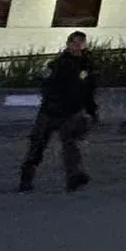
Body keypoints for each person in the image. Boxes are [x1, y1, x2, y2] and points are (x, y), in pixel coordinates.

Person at [20, 31, 98, 193]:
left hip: (70, 111)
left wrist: (90, 110)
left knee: (70, 145)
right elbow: (46, 84)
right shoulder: (58, 63)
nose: (78, 47)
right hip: (51, 109)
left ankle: (74, 177)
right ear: (69, 44)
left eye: (81, 43)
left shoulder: (86, 65)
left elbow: (89, 90)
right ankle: (26, 177)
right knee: (38, 145)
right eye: (75, 43)